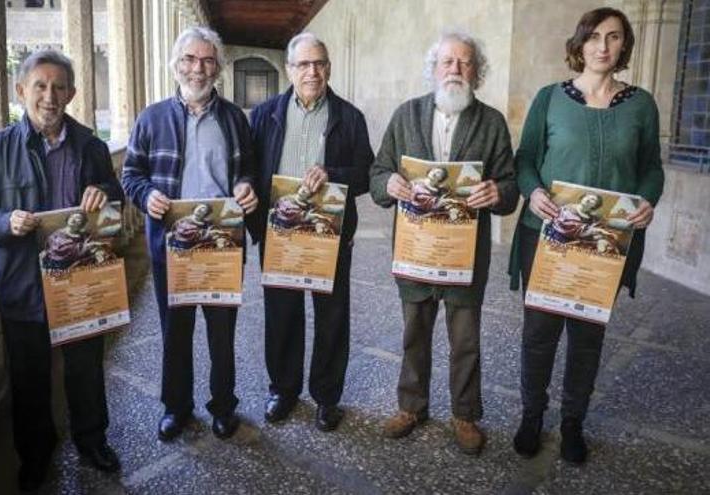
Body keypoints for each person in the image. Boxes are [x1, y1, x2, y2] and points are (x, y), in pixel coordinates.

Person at [0, 50, 124, 491]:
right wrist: (2, 222)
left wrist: (103, 193)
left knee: (86, 368)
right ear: (21, 91)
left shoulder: (91, 146)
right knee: (29, 378)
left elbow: (116, 198)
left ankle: (92, 440)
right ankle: (35, 453)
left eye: (59, 87)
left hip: (81, 278)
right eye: (40, 86)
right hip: (21, 285)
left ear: (71, 92)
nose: (50, 96)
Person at [508, 7, 664, 464]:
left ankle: (573, 422)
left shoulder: (641, 104)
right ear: (579, 44)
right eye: (593, 37)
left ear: (624, 47)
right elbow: (525, 158)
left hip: (606, 243)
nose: (602, 46)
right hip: (548, 236)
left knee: (588, 336)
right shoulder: (550, 98)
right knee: (539, 332)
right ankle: (532, 415)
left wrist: (647, 200)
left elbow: (650, 167)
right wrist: (532, 191)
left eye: (613, 38)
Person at [370, 30, 518, 455]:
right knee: (414, 333)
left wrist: (497, 192)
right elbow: (378, 172)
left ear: (477, 72)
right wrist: (390, 183)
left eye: (465, 62)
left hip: (464, 255)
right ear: (433, 69)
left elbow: (508, 184)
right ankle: (411, 406)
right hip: (416, 251)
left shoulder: (491, 122)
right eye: (447, 62)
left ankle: (465, 414)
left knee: (465, 339)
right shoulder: (405, 115)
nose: (455, 69)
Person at [121, 27, 258, 442]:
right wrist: (147, 197)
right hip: (173, 246)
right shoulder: (151, 118)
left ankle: (222, 406)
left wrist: (245, 187)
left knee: (221, 333)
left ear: (217, 67)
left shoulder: (235, 119)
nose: (198, 69)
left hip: (221, 244)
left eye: (207, 60)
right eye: (190, 60)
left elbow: (248, 169)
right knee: (174, 332)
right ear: (176, 64)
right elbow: (131, 174)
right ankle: (175, 407)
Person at [248, 32, 374, 431]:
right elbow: (251, 171)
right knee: (281, 315)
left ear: (329, 67)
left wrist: (333, 175)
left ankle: (326, 397)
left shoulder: (349, 116)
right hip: (279, 233)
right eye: (303, 64)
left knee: (331, 317)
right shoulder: (265, 114)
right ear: (289, 69)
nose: (312, 71)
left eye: (319, 63)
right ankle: (283, 390)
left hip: (329, 235)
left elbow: (368, 174)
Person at [42, 211, 112, 270]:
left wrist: (98, 251)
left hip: (81, 263)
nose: (73, 219)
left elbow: (92, 244)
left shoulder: (84, 235)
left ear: (82, 223)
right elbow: (58, 250)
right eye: (72, 217)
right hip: (62, 264)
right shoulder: (57, 235)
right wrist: (85, 247)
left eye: (78, 218)